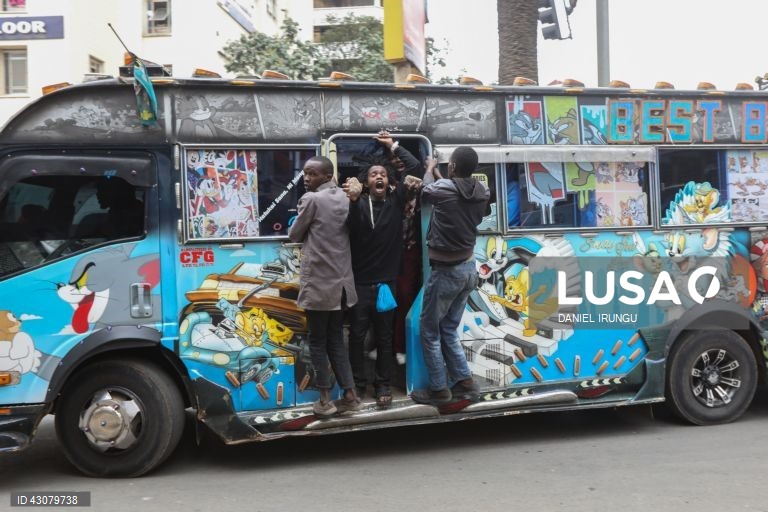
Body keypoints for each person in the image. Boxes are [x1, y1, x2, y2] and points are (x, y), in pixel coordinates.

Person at [411, 146, 489, 405]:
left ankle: (439, 389)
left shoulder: (443, 189)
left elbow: (426, 190)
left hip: (446, 271)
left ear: (452, 167)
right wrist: (436, 170)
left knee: (430, 330)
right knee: (449, 328)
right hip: (469, 268)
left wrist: (428, 170)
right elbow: (451, 188)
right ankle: (465, 381)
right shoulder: (482, 191)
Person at [342, 158, 421, 408]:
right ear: (367, 182)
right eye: (374, 173)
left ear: (388, 182)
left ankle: (383, 385)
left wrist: (393, 146)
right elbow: (351, 228)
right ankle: (357, 383)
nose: (379, 177)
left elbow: (414, 167)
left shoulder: (396, 202)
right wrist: (353, 200)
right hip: (361, 284)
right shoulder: (358, 203)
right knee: (357, 337)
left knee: (385, 338)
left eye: (384, 175)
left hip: (386, 285)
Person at [288, 156, 361, 418]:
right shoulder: (345, 199)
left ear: (327, 175)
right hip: (342, 286)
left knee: (317, 343)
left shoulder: (311, 200)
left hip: (319, 285)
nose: (306, 178)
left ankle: (324, 399)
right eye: (305, 173)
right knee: (336, 342)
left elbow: (294, 235)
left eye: (312, 174)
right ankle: (350, 395)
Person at [374, 130, 424, 366]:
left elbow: (413, 165)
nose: (396, 163)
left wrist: (392, 144)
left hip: (409, 250)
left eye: (398, 160)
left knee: (404, 298)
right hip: (386, 253)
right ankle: (383, 346)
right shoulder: (385, 190)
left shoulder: (407, 187)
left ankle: (400, 347)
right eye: (391, 161)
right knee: (383, 300)